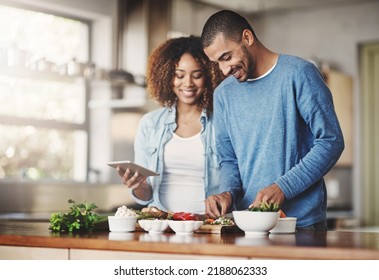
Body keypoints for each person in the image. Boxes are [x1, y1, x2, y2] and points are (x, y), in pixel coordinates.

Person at [201, 10, 344, 230]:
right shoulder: (223, 95)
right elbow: (229, 160)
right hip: (248, 224)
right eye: (216, 63)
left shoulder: (299, 74)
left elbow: (331, 141)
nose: (223, 69)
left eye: (226, 57)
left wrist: (283, 187)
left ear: (247, 38)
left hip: (301, 224)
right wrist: (227, 193)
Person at [116, 36, 223, 215]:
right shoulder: (149, 124)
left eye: (197, 75)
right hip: (162, 224)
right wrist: (138, 186)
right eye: (179, 75)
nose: (188, 83)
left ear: (209, 77)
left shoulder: (221, 124)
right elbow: (145, 196)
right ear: (166, 76)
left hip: (208, 225)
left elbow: (233, 182)